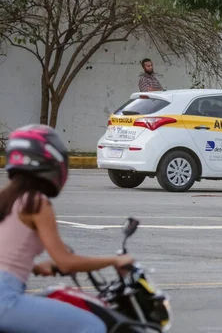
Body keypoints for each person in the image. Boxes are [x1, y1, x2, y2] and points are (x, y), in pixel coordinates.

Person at [0, 125, 134, 333]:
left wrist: (37, 267)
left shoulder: (7, 200)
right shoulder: (36, 202)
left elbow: (8, 255)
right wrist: (115, 260)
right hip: (5, 300)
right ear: (51, 161)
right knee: (92, 325)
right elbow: (67, 262)